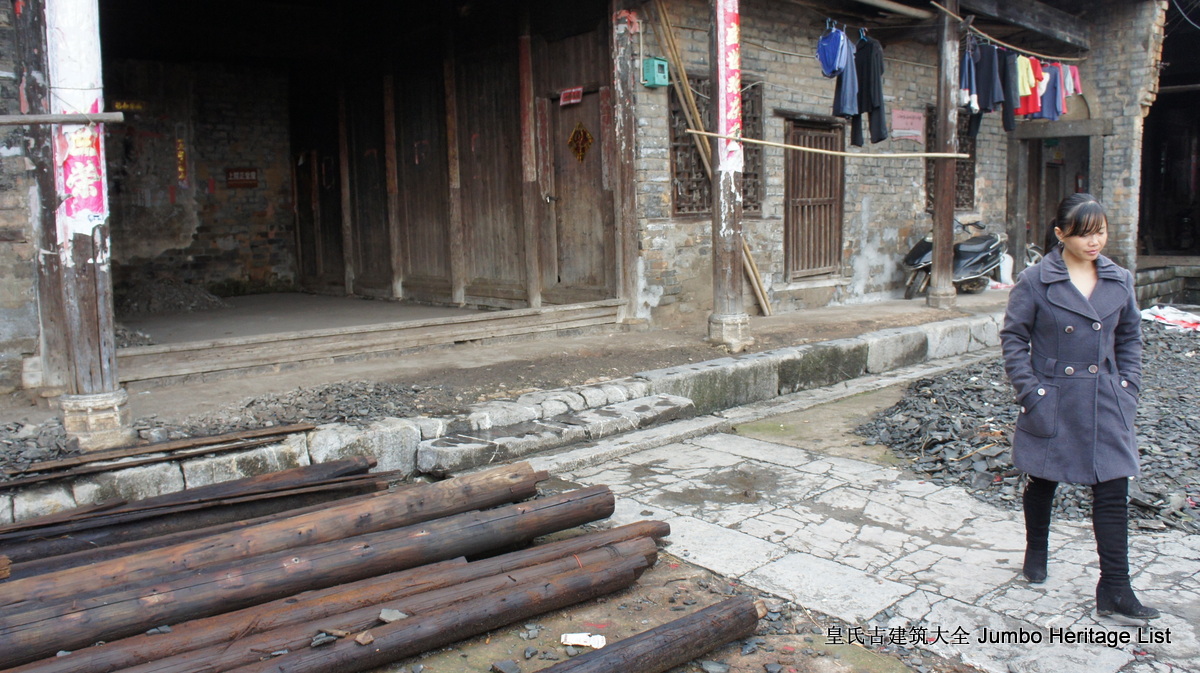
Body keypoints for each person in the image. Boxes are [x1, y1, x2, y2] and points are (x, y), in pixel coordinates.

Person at [999, 193, 1159, 619]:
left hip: (1106, 397)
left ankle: (1116, 587)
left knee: (1112, 489)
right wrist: (1031, 393)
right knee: (1043, 478)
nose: (1094, 242)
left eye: (1100, 232)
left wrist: (1128, 386)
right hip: (1054, 395)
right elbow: (1014, 338)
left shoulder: (1119, 279)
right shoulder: (1036, 279)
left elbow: (1129, 337)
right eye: (1084, 233)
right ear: (1060, 234)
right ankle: (1037, 550)